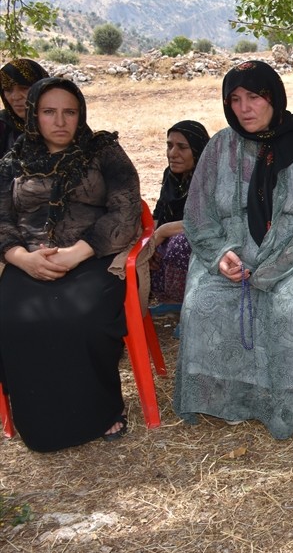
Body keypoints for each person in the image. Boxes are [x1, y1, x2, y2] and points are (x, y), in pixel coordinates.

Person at [173, 61, 293, 438]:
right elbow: (198, 215)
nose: (245, 108)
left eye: (255, 97)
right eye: (236, 99)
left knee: (292, 308)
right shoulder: (219, 148)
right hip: (233, 256)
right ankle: (230, 400)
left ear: (273, 98)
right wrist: (220, 255)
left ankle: (292, 405)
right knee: (203, 304)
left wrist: (272, 269)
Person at [0, 77, 141, 451]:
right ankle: (40, 423)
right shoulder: (13, 162)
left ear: (81, 114)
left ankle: (102, 411)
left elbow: (126, 212)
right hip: (28, 258)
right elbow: (1, 219)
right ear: (33, 115)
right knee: (13, 319)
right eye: (49, 112)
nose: (60, 121)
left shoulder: (105, 152)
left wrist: (77, 252)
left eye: (69, 112)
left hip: (93, 257)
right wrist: (22, 259)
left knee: (84, 318)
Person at [149, 120, 211, 306]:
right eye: (169, 146)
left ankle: (190, 305)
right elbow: (158, 214)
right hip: (169, 240)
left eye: (182, 147)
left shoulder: (211, 178)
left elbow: (205, 221)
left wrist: (163, 232)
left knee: (180, 243)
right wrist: (148, 245)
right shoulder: (171, 176)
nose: (173, 154)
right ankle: (168, 302)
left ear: (198, 150)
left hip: (205, 245)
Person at [0, 58, 50, 156]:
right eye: (8, 90)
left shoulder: (62, 123)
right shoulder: (2, 126)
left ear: (43, 88)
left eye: (24, 88)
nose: (15, 97)